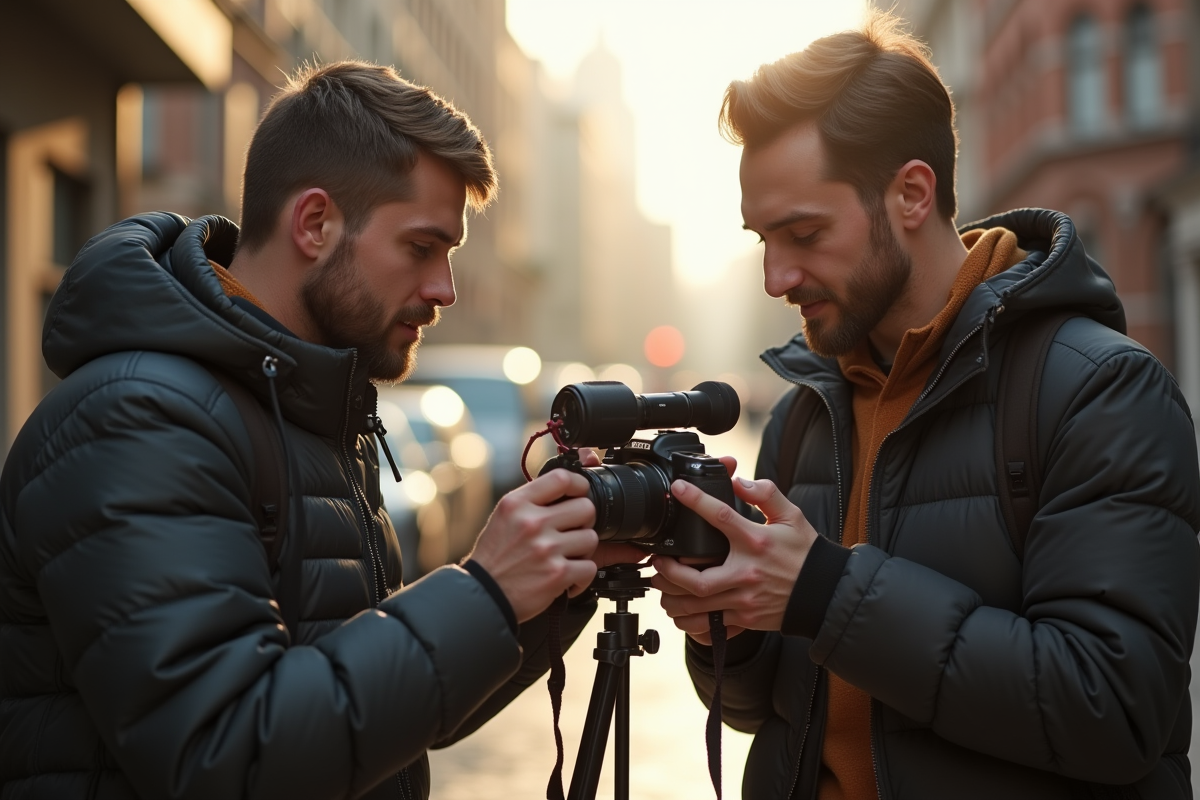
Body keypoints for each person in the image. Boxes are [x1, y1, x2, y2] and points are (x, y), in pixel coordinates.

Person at [0, 61, 640, 799]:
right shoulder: (134, 420)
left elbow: (369, 722)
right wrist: (487, 591)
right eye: (421, 248)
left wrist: (547, 588)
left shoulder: (312, 410)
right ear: (314, 223)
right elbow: (230, 753)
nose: (444, 290)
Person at [651, 12, 1200, 800]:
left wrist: (826, 593)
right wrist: (721, 625)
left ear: (912, 192)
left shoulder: (1101, 389)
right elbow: (758, 708)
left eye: (804, 233)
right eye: (762, 238)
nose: (775, 276)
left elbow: (1113, 709)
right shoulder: (806, 409)